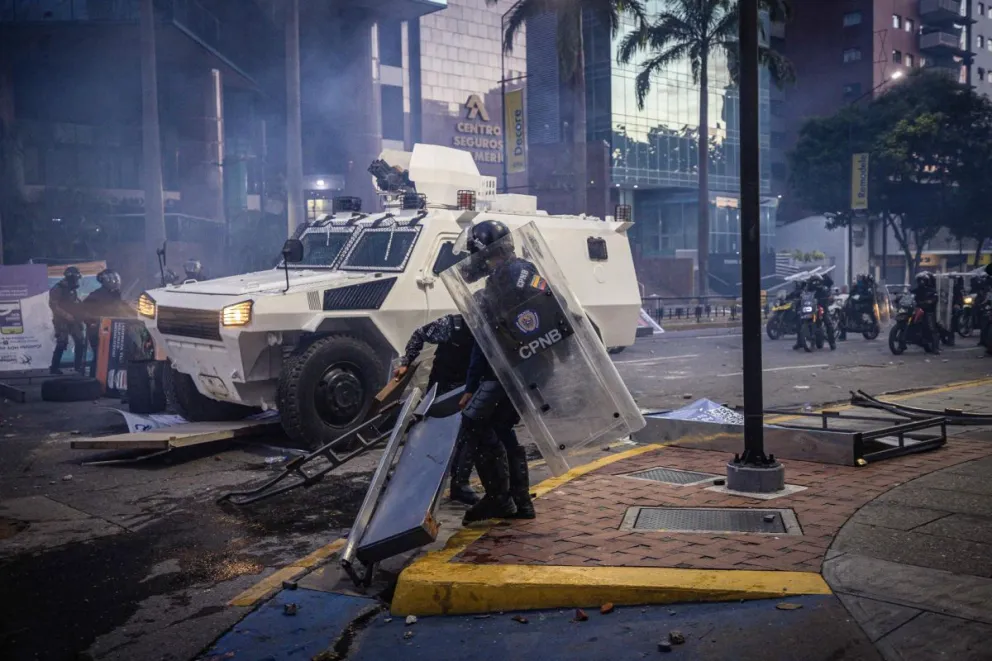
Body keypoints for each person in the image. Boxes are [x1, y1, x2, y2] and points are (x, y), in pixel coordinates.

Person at [456, 220, 540, 524]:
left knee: (474, 423)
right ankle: (520, 502)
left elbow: (486, 339)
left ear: (485, 251)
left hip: (506, 369)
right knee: (502, 427)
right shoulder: (524, 271)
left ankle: (499, 499)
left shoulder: (503, 279)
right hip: (527, 367)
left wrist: (471, 385)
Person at [394, 313, 480, 506]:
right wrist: (406, 361)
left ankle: (460, 484)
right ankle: (412, 480)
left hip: (467, 390)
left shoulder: (488, 329)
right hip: (442, 389)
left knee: (468, 435)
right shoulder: (451, 325)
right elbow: (419, 335)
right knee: (430, 435)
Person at [81, 270, 132, 377]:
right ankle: (94, 378)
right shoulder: (96, 295)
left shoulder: (116, 295)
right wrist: (92, 322)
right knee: (99, 356)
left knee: (113, 357)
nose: (116, 281)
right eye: (113, 279)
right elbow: (83, 311)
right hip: (98, 332)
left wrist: (137, 316)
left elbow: (123, 308)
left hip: (115, 331)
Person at [48, 266, 86, 375]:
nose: (77, 280)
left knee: (80, 341)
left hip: (73, 319)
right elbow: (53, 305)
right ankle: (54, 368)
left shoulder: (72, 288)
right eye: (76, 278)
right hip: (61, 320)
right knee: (61, 343)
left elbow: (74, 302)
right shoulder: (58, 288)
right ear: (71, 277)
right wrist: (66, 315)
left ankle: (78, 366)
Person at [911, 271, 940, 354]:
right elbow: (910, 295)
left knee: (931, 328)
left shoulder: (931, 291)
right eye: (919, 280)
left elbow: (934, 299)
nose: (921, 282)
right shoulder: (916, 290)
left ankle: (935, 348)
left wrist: (928, 302)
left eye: (922, 280)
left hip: (927, 311)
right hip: (917, 309)